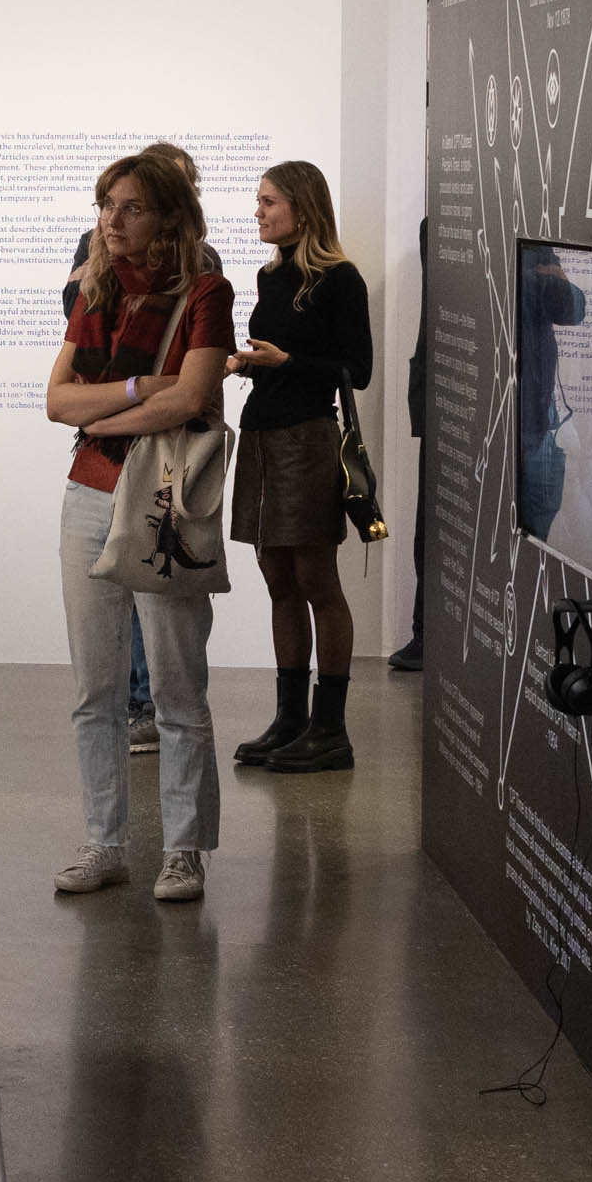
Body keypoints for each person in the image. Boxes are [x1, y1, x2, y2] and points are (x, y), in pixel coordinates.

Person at [49, 147, 233, 903]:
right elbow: (57, 401)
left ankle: (184, 849)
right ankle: (106, 842)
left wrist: (105, 412)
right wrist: (136, 388)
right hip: (89, 494)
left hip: (164, 494)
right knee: (95, 690)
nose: (112, 220)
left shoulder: (206, 291)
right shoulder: (95, 290)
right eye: (106, 206)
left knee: (176, 687)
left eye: (130, 207)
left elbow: (191, 398)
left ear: (167, 216)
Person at [229, 160, 378, 775]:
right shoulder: (270, 276)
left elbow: (357, 371)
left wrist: (286, 361)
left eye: (269, 201)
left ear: (302, 206)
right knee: (277, 579)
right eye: (259, 201)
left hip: (308, 439)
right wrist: (249, 363)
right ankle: (291, 720)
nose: (258, 212)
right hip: (263, 435)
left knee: (316, 580)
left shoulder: (340, 278)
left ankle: (330, 730)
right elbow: (282, 355)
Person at [395, 209, 430, 674]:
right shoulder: (436, 226)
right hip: (445, 400)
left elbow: (572, 307)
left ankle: (426, 632)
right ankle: (425, 632)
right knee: (431, 525)